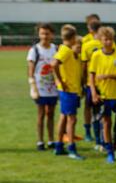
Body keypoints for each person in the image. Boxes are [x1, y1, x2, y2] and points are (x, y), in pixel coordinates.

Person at [89, 26, 116, 164]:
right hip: (104, 96)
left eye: (110, 39)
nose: (108, 42)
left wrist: (108, 75)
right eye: (105, 39)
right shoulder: (96, 55)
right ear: (101, 40)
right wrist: (94, 92)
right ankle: (110, 151)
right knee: (106, 123)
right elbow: (92, 75)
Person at [51, 25, 84, 159]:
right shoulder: (65, 50)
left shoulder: (69, 51)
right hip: (68, 90)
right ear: (72, 37)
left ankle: (59, 146)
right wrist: (61, 82)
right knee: (72, 119)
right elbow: (54, 64)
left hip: (72, 90)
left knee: (64, 117)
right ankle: (71, 148)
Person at [26, 23, 58, 151]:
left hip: (53, 87)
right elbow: (31, 68)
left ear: (52, 35)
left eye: (47, 33)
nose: (44, 36)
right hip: (40, 87)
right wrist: (33, 85)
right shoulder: (35, 50)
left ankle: (51, 140)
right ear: (39, 34)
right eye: (42, 33)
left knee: (51, 113)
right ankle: (40, 141)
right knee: (41, 114)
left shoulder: (56, 49)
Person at [80, 19, 102, 145]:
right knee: (100, 110)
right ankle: (100, 136)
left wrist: (82, 81)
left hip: (90, 82)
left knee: (89, 108)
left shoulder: (85, 43)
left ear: (90, 29)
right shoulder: (105, 43)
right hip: (103, 82)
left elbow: (83, 65)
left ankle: (89, 133)